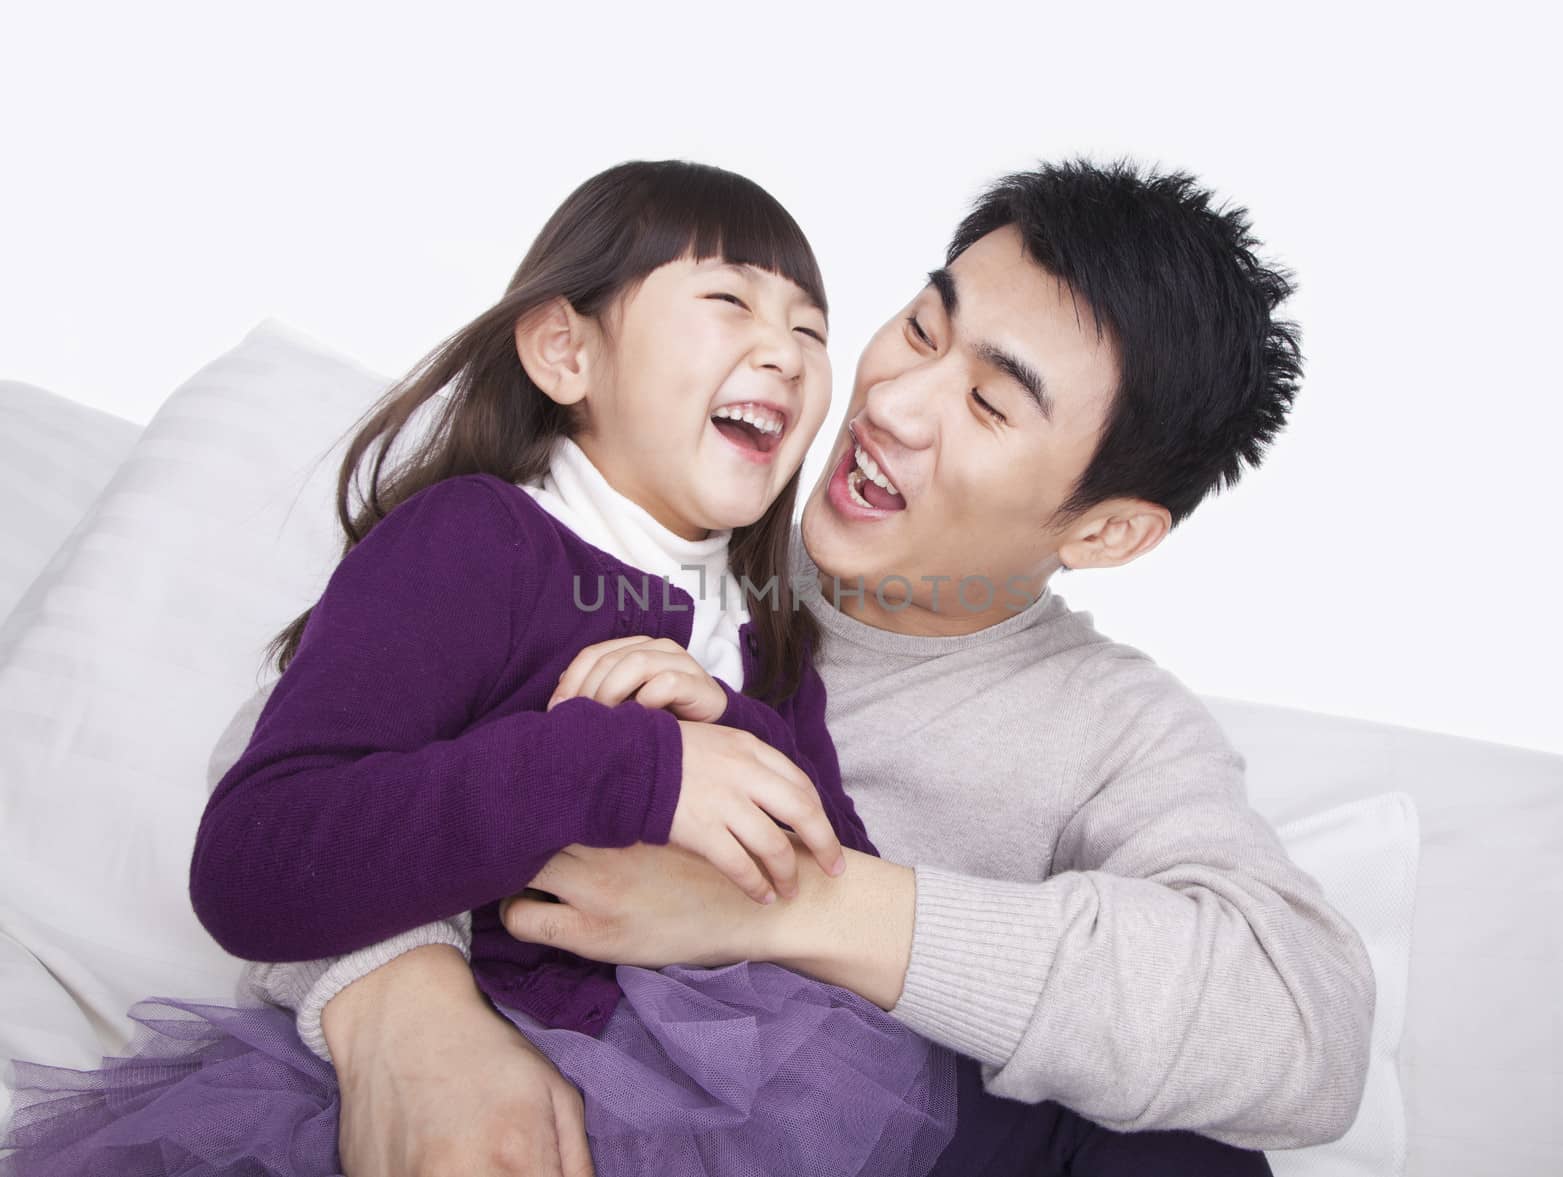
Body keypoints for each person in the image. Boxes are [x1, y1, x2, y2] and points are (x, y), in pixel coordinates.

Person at [279, 158, 1377, 1175]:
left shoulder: (1112, 727)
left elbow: (1299, 1027)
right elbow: (302, 750)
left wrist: (790, 907)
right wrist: (402, 1003)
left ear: (1103, 534)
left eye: (989, 403)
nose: (890, 404)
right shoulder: (666, 524)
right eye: (920, 327)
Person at [0, 159, 966, 1177]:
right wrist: (622, 765)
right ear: (564, 352)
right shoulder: (477, 538)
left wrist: (730, 723)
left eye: (811, 332)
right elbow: (256, 855)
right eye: (729, 302)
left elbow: (834, 883)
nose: (785, 353)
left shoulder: (767, 633)